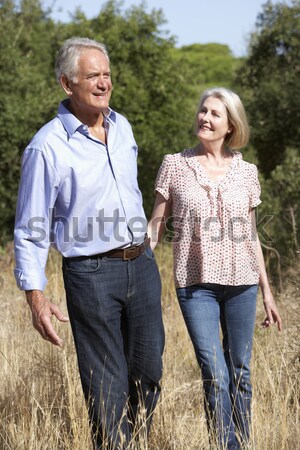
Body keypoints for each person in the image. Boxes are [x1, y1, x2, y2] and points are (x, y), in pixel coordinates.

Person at [14, 36, 165, 450]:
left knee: (149, 371)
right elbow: (30, 226)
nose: (103, 83)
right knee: (105, 385)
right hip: (91, 273)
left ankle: (136, 442)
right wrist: (36, 297)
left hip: (142, 264)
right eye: (92, 76)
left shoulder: (123, 127)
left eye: (107, 74)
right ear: (67, 84)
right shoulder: (47, 147)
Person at [148, 87, 282, 450]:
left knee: (240, 372)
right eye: (203, 111)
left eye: (214, 114)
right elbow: (156, 227)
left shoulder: (247, 172)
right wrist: (132, 264)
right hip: (195, 286)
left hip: (242, 285)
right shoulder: (174, 164)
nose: (204, 118)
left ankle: (243, 441)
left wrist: (267, 292)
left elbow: (251, 235)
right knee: (215, 374)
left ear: (230, 126)